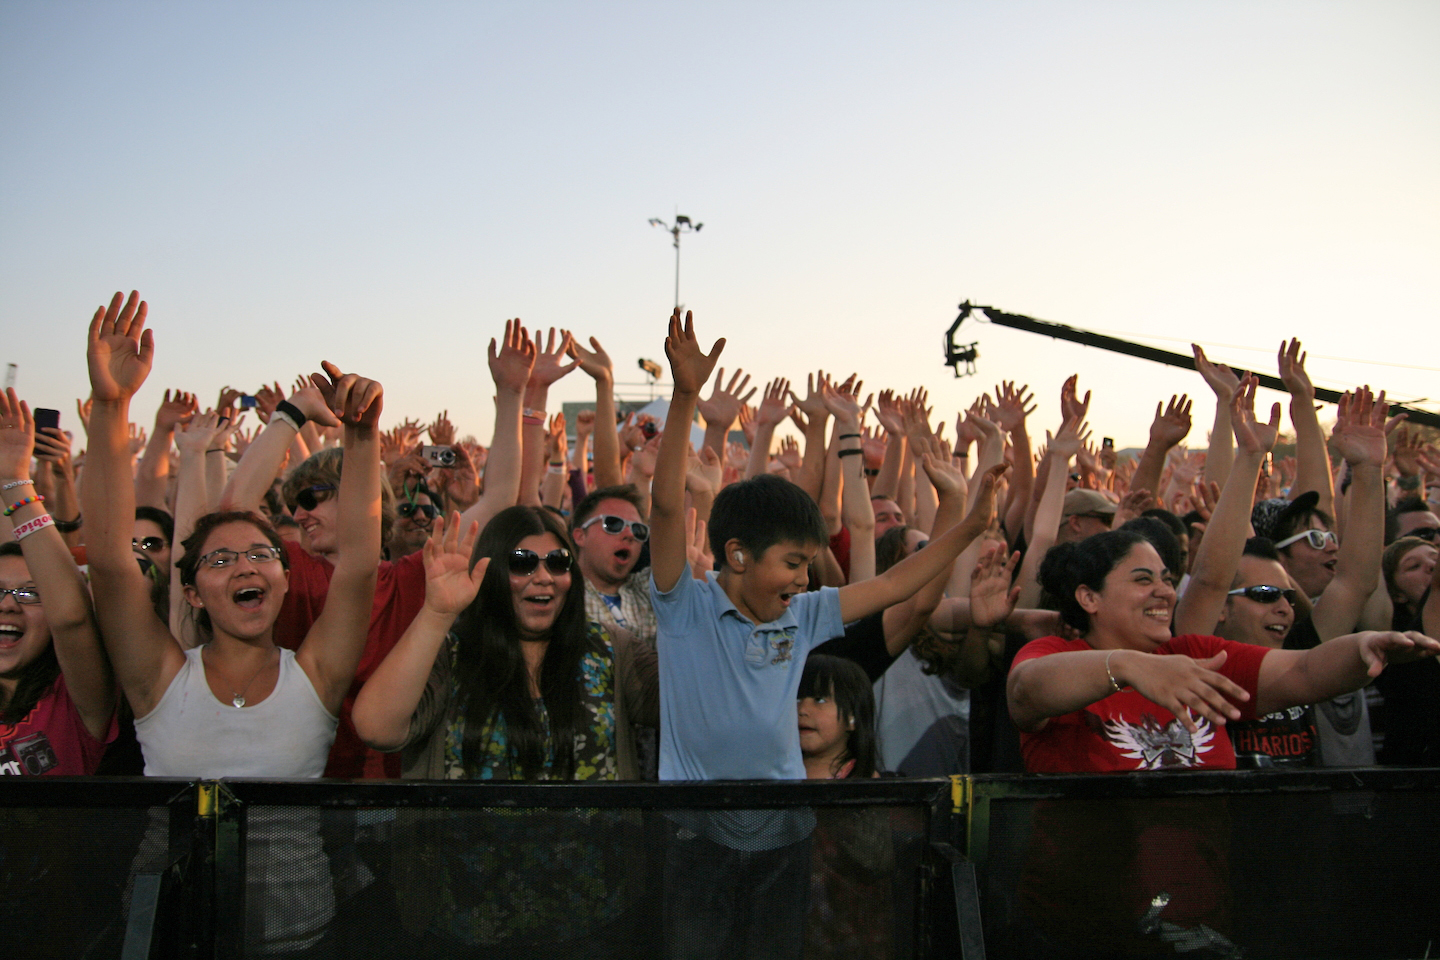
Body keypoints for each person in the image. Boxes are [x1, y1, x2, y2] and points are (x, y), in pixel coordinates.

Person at [649, 309, 1002, 960]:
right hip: (694, 841)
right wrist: (685, 397)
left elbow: (896, 587)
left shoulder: (803, 613)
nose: (804, 576)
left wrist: (972, 526)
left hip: (786, 838)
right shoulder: (684, 608)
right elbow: (668, 507)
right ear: (735, 556)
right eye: (791, 562)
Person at [80, 290, 383, 955]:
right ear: (191, 593)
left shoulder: (315, 675)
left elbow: (359, 565)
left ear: (281, 577)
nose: (246, 565)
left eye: (261, 554)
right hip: (172, 934)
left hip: (299, 940)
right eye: (220, 559)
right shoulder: (159, 678)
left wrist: (361, 439)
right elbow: (107, 558)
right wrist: (110, 408)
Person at [350, 505, 657, 954]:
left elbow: (694, 712)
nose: (543, 577)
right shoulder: (454, 652)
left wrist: (701, 607)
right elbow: (375, 727)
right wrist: (436, 613)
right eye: (521, 563)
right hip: (463, 923)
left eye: (557, 563)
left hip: (591, 920)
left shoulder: (611, 649)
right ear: (492, 572)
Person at [1007, 529, 1438, 774]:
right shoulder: (1053, 653)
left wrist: (1364, 648)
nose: (1164, 591)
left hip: (1203, 912)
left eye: (1166, 578)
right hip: (1088, 916)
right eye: (1143, 580)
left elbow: (1305, 671)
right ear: (1089, 598)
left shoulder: (1194, 652)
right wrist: (1127, 666)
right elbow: (1027, 691)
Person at [0, 389, 117, 775]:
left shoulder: (73, 702)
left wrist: (16, 482)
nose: (8, 604)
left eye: (31, 593)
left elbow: (73, 618)